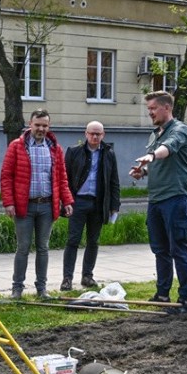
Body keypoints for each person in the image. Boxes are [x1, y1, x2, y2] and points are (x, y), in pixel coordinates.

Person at [129, 91, 187, 314]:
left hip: (176, 198)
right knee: (160, 250)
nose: (150, 113)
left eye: (153, 109)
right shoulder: (154, 134)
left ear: (166, 107)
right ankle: (162, 294)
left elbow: (167, 149)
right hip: (155, 200)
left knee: (178, 248)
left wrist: (153, 156)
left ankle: (184, 299)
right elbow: (153, 161)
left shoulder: (180, 130)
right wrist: (142, 171)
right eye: (149, 110)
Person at [0, 108, 73, 300]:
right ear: (30, 124)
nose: (41, 128)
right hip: (24, 207)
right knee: (23, 247)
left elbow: (62, 178)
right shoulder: (17, 146)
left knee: (43, 248)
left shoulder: (55, 148)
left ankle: (42, 289)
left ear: (49, 126)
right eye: (37, 125)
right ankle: (17, 289)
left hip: (47, 206)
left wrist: (67, 200)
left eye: (44, 125)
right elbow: (6, 176)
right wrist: (9, 202)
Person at [61, 120, 120, 291]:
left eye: (98, 134)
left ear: (103, 135)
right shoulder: (74, 152)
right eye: (92, 133)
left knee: (93, 241)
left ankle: (87, 276)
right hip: (78, 202)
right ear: (85, 134)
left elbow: (114, 181)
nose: (95, 136)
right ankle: (67, 278)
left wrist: (114, 205)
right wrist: (66, 201)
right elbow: (64, 179)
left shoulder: (109, 153)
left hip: (98, 203)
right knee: (73, 240)